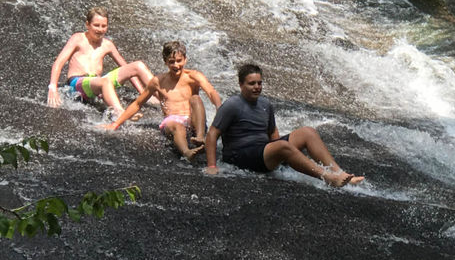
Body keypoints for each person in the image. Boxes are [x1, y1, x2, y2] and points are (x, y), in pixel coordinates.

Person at [204, 64, 363, 187]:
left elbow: (272, 132)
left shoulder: (265, 104)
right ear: (241, 85)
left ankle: (341, 174)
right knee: (281, 146)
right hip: (240, 155)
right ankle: (328, 177)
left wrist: (283, 158)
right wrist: (211, 165)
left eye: (259, 83)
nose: (257, 87)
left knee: (307, 132)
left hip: (263, 151)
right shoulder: (232, 105)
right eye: (252, 83)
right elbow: (212, 134)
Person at [101, 41, 221, 161]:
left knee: (196, 99)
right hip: (172, 121)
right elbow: (138, 103)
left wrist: (219, 107)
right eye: (171, 62)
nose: (176, 65)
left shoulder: (193, 76)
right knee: (176, 125)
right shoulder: (158, 81)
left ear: (185, 59)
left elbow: (211, 92)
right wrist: (115, 124)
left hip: (194, 121)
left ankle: (200, 137)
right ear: (165, 62)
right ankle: (186, 152)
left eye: (179, 60)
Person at [47, 6, 155, 116]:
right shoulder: (78, 38)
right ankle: (121, 113)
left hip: (97, 82)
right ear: (87, 24)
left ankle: (162, 96)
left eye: (104, 26)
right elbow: (59, 62)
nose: (100, 29)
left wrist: (142, 92)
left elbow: (127, 68)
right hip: (78, 83)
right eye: (96, 25)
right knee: (105, 81)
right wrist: (53, 88)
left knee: (138, 66)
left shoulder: (107, 44)